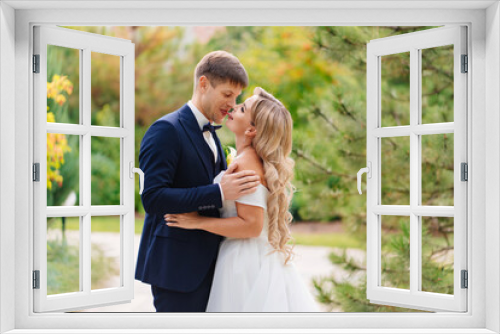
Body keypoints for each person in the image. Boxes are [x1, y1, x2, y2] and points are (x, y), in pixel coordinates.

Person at [164, 87, 319, 312]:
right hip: (259, 256)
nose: (234, 107)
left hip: (244, 261)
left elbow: (252, 226)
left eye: (242, 108)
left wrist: (196, 222)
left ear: (251, 130)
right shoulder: (252, 160)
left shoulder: (246, 164)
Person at [135, 51, 262, 312]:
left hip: (212, 267)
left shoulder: (214, 135)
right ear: (203, 84)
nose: (231, 103)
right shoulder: (166, 130)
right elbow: (153, 198)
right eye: (227, 94)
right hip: (177, 269)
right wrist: (218, 192)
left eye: (236, 97)